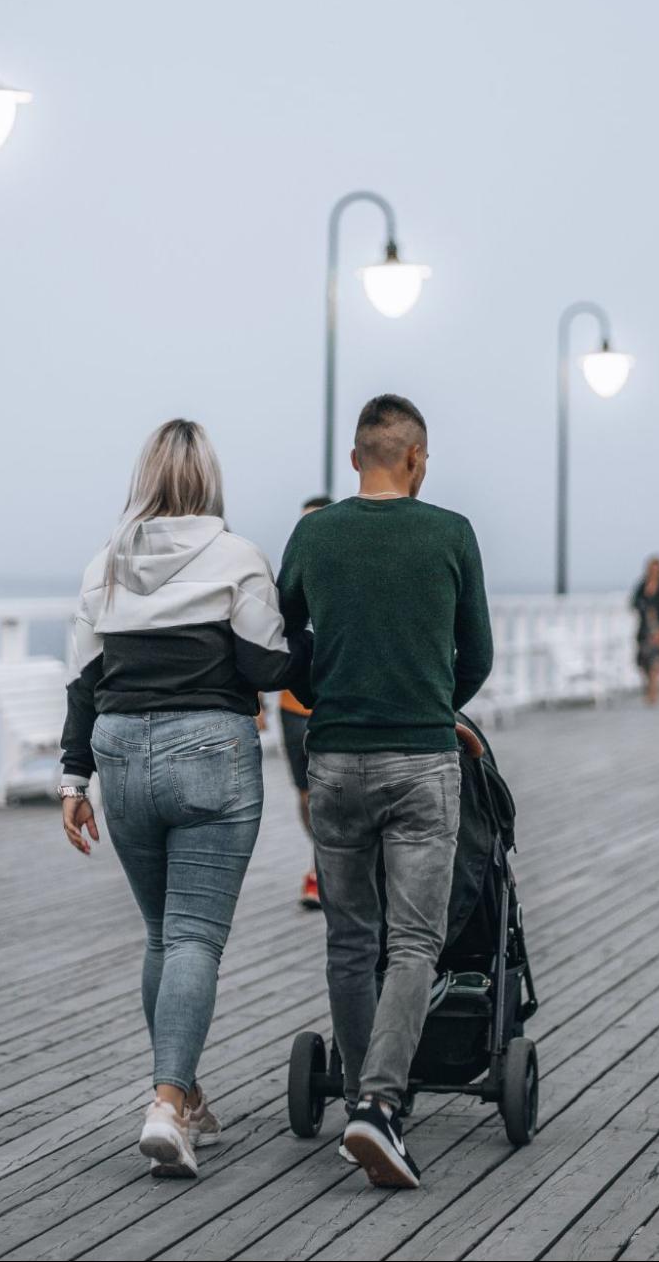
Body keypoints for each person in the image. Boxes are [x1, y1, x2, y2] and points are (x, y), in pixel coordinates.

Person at [57, 419, 303, 1181]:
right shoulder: (236, 555)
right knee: (194, 935)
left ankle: (185, 1092)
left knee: (163, 935)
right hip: (209, 753)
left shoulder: (105, 564)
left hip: (119, 751)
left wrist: (72, 780)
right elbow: (268, 665)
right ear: (208, 479)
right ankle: (165, 1105)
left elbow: (83, 681)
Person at [277, 393, 493, 1190]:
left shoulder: (313, 533)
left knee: (348, 940)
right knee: (412, 943)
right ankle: (379, 1102)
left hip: (333, 758)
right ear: (415, 458)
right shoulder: (450, 533)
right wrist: (435, 702)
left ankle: (360, 1105)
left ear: (354, 458)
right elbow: (477, 652)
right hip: (421, 760)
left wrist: (326, 684)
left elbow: (280, 638)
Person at [279, 494, 332, 909]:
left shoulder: (348, 572)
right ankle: (320, 861)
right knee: (305, 793)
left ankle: (326, 869)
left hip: (335, 703)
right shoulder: (292, 574)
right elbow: (269, 635)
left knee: (333, 789)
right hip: (293, 706)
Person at [631, 556, 659, 705]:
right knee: (643, 660)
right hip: (644, 628)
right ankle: (650, 686)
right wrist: (645, 607)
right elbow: (634, 603)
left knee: (656, 660)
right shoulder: (642, 585)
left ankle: (654, 691)